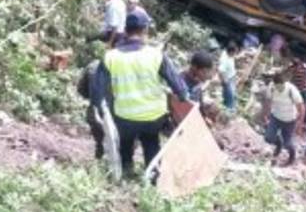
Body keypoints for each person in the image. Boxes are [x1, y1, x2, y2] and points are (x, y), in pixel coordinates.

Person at [90, 12, 190, 178]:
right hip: (154, 116)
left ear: (125, 30)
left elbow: (97, 94)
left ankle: (127, 170)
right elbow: (180, 88)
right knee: (151, 143)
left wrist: (101, 113)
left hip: (125, 116)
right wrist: (182, 97)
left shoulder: (110, 57)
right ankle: (153, 176)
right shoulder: (156, 55)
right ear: (145, 30)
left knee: (125, 143)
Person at [264, 69, 305, 165]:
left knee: (287, 143)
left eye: (280, 86)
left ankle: (292, 157)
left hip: (289, 119)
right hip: (276, 116)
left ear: (284, 83)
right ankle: (278, 144)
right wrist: (266, 114)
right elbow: (268, 101)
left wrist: (300, 123)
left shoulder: (291, 90)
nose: (279, 89)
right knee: (268, 137)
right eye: (277, 86)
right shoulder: (271, 87)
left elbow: (301, 107)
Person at [175, 50, 218, 124]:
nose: (208, 76)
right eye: (204, 72)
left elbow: (199, 104)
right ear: (194, 68)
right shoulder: (180, 83)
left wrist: (204, 117)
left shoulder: (197, 82)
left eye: (208, 72)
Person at [218, 42, 240, 112]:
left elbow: (234, 57)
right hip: (228, 80)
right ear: (231, 52)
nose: (235, 54)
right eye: (234, 52)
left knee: (230, 94)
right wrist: (225, 81)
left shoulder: (229, 54)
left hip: (232, 77)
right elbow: (220, 71)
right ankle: (230, 109)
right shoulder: (224, 59)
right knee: (230, 95)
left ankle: (226, 105)